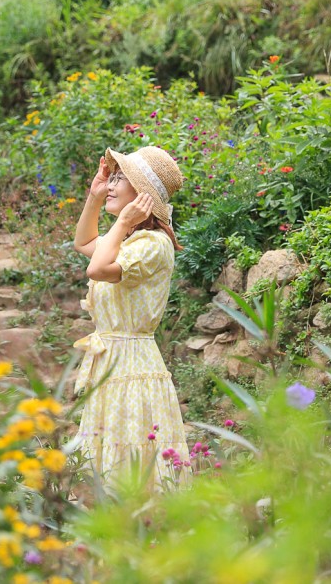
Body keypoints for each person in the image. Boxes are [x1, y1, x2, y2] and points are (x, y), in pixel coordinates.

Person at [72, 145, 191, 489]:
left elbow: (96, 269)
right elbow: (84, 244)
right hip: (115, 362)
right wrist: (94, 198)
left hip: (132, 365)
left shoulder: (152, 243)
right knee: (112, 450)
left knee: (131, 454)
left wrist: (123, 221)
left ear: (143, 196)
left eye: (121, 178)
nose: (111, 183)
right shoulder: (130, 240)